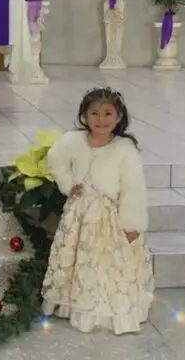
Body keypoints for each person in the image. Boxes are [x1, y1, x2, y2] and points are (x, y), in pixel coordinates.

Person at [40, 87, 153, 335]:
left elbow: (133, 188)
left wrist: (132, 224)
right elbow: (55, 158)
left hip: (109, 218)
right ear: (84, 115)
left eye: (107, 113)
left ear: (119, 117)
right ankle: (75, 304)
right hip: (80, 213)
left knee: (106, 263)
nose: (100, 120)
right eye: (94, 113)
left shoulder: (124, 149)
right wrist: (68, 184)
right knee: (79, 258)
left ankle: (105, 309)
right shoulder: (73, 140)